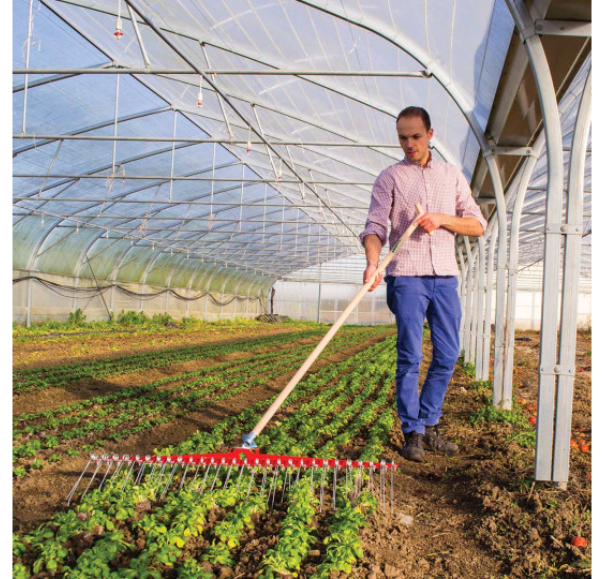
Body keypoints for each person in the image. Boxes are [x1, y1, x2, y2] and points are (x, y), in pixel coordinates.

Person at [360, 106, 486, 462]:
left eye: (416, 136)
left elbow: (477, 225)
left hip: (444, 276)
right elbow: (374, 227)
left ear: (430, 134)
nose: (409, 144)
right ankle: (412, 431)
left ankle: (430, 423)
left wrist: (442, 219)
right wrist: (372, 263)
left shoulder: (451, 175)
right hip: (406, 277)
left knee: (447, 354)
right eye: (403, 138)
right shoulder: (390, 178)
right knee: (410, 356)